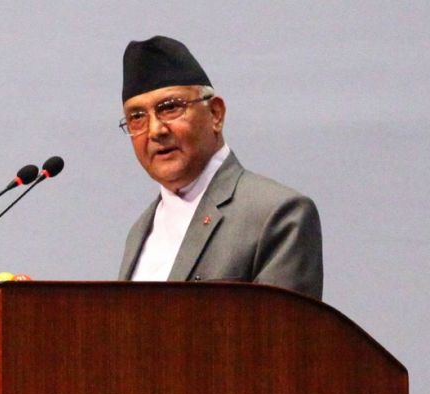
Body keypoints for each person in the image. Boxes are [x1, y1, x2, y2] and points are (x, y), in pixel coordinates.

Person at [117, 36, 323, 300]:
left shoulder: (276, 214)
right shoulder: (140, 231)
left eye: (170, 108)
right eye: (137, 117)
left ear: (215, 114)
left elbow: (282, 326)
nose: (156, 130)